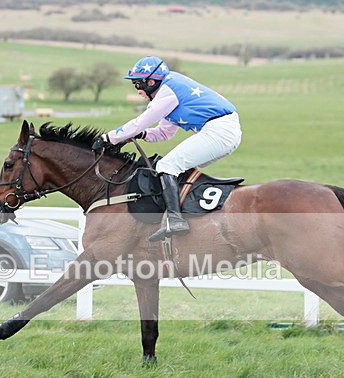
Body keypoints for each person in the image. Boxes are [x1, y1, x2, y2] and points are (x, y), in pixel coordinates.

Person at [92, 56, 242, 241]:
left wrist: (108, 138)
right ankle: (192, 215)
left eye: (138, 84)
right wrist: (141, 135)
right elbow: (164, 133)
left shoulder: (167, 92)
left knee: (166, 166)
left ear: (151, 82)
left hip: (219, 131)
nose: (138, 90)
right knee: (178, 170)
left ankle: (176, 221)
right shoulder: (168, 90)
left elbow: (139, 122)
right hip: (224, 131)